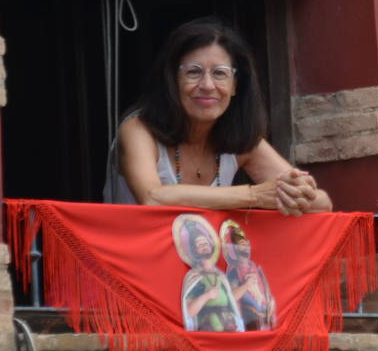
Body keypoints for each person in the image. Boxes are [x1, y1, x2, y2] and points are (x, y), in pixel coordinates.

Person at [105, 18, 332, 215]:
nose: (207, 85)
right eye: (194, 71)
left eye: (220, 73)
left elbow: (322, 202)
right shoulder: (138, 128)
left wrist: (294, 192)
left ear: (235, 86)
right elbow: (153, 198)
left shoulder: (240, 136)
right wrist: (254, 196)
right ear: (172, 81)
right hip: (133, 261)